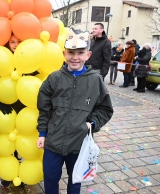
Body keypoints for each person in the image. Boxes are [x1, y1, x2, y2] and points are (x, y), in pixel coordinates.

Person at [36, 27, 113, 194]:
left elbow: (105, 108)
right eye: (71, 52)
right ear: (64, 54)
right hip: (53, 142)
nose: (75, 57)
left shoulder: (95, 80)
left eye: (80, 52)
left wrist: (92, 123)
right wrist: (42, 133)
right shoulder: (54, 78)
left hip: (79, 143)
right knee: (50, 178)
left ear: (88, 55)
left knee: (75, 179)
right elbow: (44, 108)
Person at [0, 34, 34, 188]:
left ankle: (23, 171)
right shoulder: (0, 61)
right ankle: (7, 173)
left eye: (19, 41)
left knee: (23, 142)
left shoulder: (30, 60)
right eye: (12, 42)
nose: (16, 44)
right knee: (6, 143)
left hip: (26, 112)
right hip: (5, 112)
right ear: (7, 44)